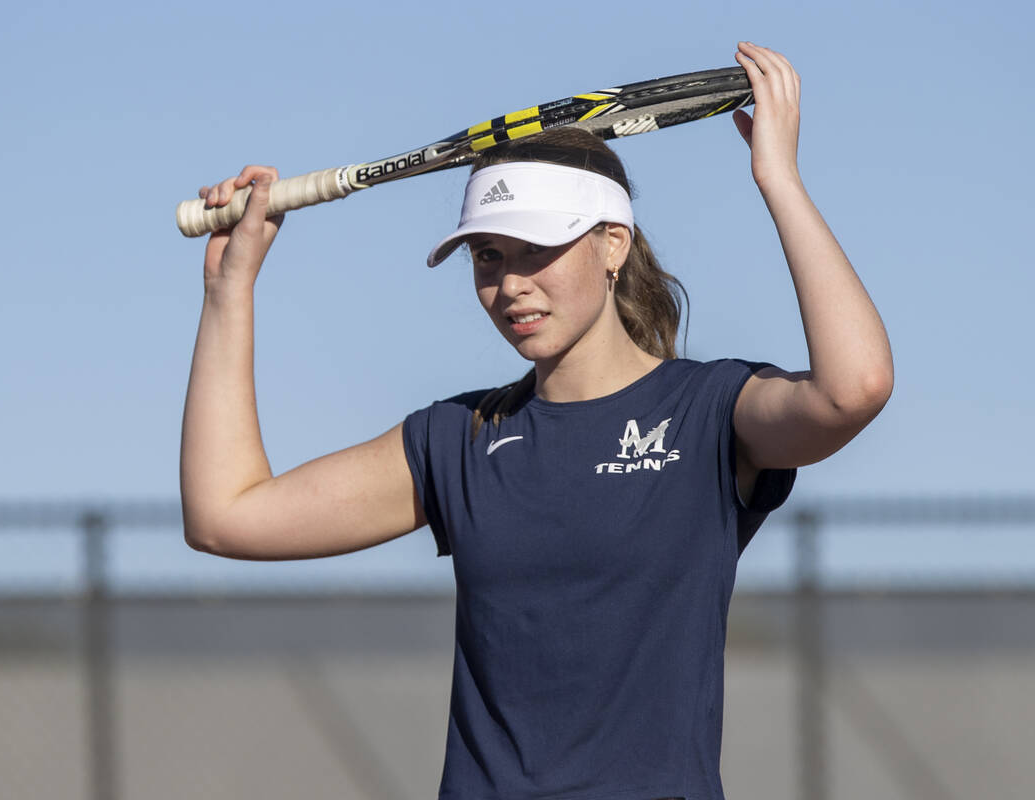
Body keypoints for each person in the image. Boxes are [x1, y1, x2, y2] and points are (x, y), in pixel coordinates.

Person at [180, 42, 892, 800]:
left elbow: (855, 389)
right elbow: (227, 517)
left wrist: (777, 178)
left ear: (611, 243)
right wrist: (230, 291)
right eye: (488, 256)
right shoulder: (460, 439)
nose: (511, 284)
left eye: (538, 250)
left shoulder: (707, 412)